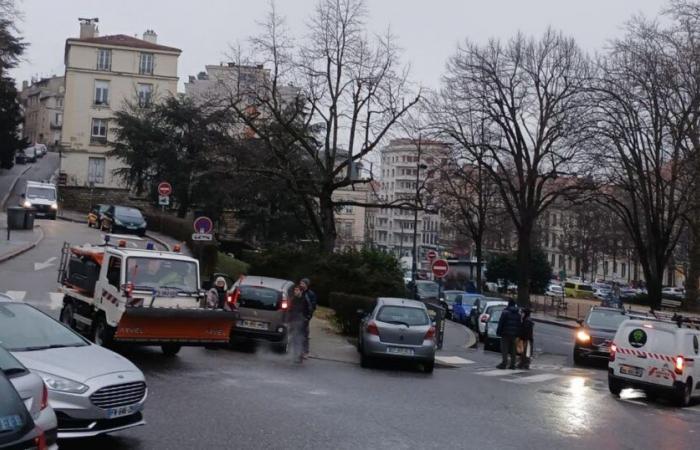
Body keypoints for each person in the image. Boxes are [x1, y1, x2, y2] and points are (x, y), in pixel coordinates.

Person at [289, 285, 313, 363]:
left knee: (300, 338)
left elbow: (310, 310)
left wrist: (306, 319)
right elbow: (290, 310)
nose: (295, 292)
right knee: (294, 339)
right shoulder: (293, 299)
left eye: (297, 290)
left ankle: (300, 356)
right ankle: (295, 354)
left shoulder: (305, 299)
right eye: (295, 290)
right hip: (294, 321)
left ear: (301, 291)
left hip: (301, 322)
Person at [496, 299, 522, 370]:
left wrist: (498, 332)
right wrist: (518, 334)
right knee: (513, 350)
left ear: (508, 304)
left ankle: (504, 363)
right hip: (514, 335)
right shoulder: (518, 314)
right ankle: (512, 364)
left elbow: (501, 323)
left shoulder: (505, 312)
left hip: (505, 334)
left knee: (505, 349)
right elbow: (519, 325)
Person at [298, 278, 317, 357]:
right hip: (297, 316)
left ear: (306, 285)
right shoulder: (298, 292)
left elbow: (312, 306)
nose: (300, 285)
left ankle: (305, 352)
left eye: (302, 283)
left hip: (305, 316)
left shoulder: (310, 294)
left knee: (305, 334)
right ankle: (297, 350)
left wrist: (308, 317)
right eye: (300, 283)